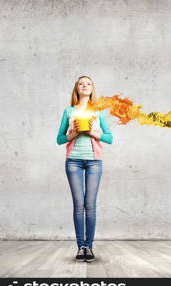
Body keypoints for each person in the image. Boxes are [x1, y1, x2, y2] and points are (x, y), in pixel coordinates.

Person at [56, 76, 113, 262]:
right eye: (81, 83)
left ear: (92, 88)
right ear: (77, 89)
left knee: (90, 205)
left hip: (94, 161)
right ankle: (81, 247)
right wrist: (72, 134)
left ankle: (89, 246)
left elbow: (109, 138)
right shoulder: (69, 111)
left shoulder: (99, 112)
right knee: (78, 205)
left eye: (88, 83)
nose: (85, 86)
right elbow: (59, 139)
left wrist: (90, 131)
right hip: (73, 161)